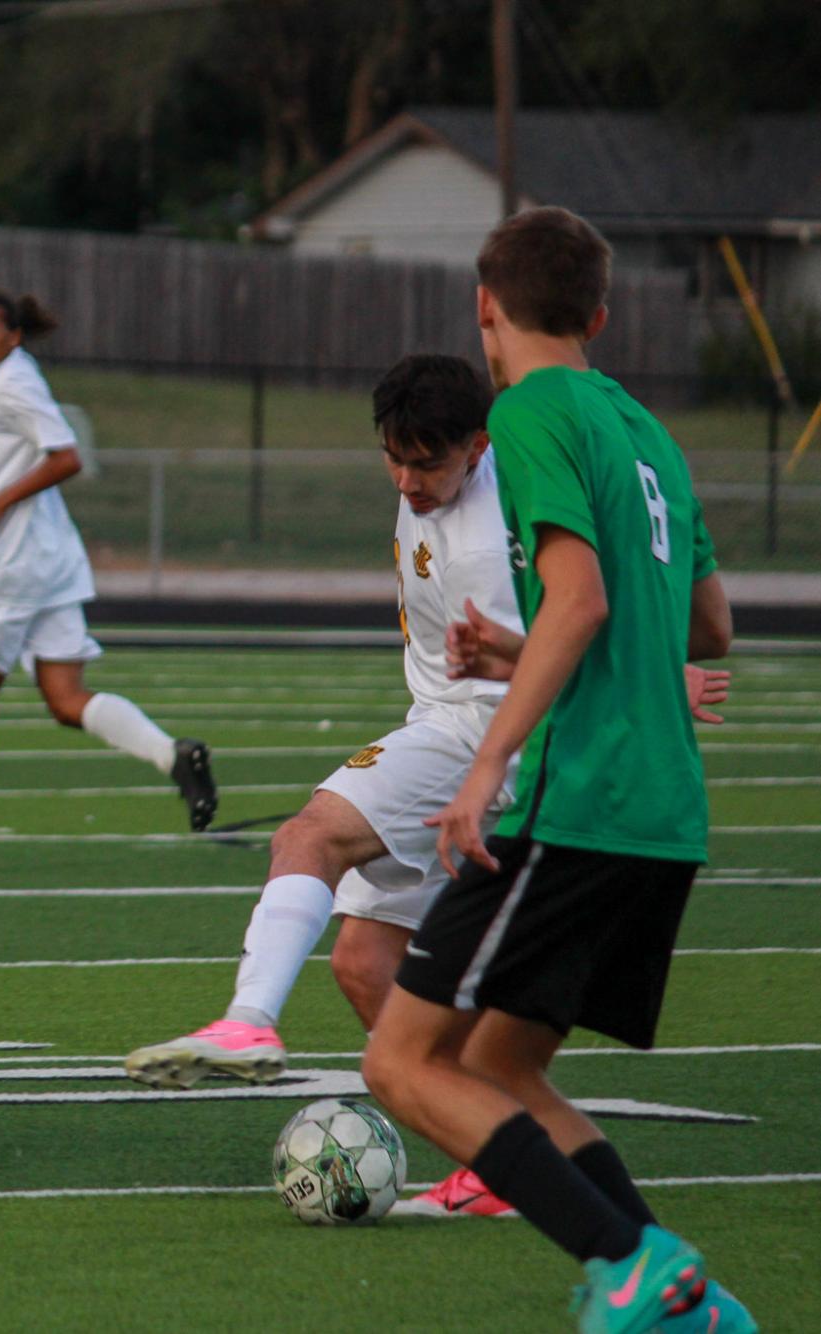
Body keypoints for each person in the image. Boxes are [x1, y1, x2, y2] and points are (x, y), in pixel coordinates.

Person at [121, 353, 732, 1222]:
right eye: (394, 458)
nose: (408, 479)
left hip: (487, 738)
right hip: (442, 725)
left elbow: (568, 630)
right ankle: (492, 1160)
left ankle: (248, 1021)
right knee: (365, 964)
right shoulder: (432, 481)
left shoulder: (498, 525)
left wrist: (653, 676)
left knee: (307, 837)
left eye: (427, 462)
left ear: (478, 446)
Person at [361, 208, 751, 1332]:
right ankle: (692, 1297)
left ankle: (628, 1257)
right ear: (600, 314)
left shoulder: (527, 410)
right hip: (663, 808)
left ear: (485, 307)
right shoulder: (648, 433)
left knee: (402, 1058)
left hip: (581, 794)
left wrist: (485, 767)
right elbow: (708, 624)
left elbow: (579, 598)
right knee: (501, 1063)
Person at [0, 289, 217, 874]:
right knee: (65, 698)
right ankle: (171, 755)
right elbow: (17, 458)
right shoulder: (8, 378)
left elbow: (65, 457)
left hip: (14, 566)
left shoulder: (11, 382)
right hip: (49, 562)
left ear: (14, 335)